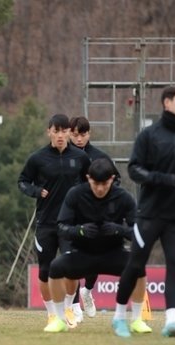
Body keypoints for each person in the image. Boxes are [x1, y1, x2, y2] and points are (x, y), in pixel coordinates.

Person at [112, 86, 175, 338]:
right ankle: (119, 317)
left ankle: (171, 321)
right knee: (135, 264)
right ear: (167, 103)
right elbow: (134, 170)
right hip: (149, 214)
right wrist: (162, 179)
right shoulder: (149, 135)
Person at [44, 158, 150, 334]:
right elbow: (61, 227)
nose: (100, 188)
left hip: (113, 253)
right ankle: (59, 319)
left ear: (112, 179)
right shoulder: (75, 194)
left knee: (139, 266)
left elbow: (138, 233)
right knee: (55, 267)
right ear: (88, 178)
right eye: (95, 183)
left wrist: (118, 229)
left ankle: (137, 320)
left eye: (104, 183)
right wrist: (80, 230)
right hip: (82, 254)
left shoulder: (124, 198)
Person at [18, 114, 90, 327]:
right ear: (48, 132)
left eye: (64, 131)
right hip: (46, 223)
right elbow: (22, 182)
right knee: (45, 270)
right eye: (56, 131)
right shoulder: (37, 158)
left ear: (69, 132)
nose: (60, 136)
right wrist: (36, 191)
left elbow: (92, 182)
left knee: (71, 268)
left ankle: (68, 308)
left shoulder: (80, 158)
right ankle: (51, 314)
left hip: (71, 224)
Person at [69, 116, 124, 318]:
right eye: (74, 135)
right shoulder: (63, 157)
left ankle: (87, 291)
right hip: (73, 215)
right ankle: (74, 306)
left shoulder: (99, 157)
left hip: (96, 215)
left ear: (89, 134)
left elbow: (116, 180)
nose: (78, 139)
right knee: (71, 257)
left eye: (82, 134)